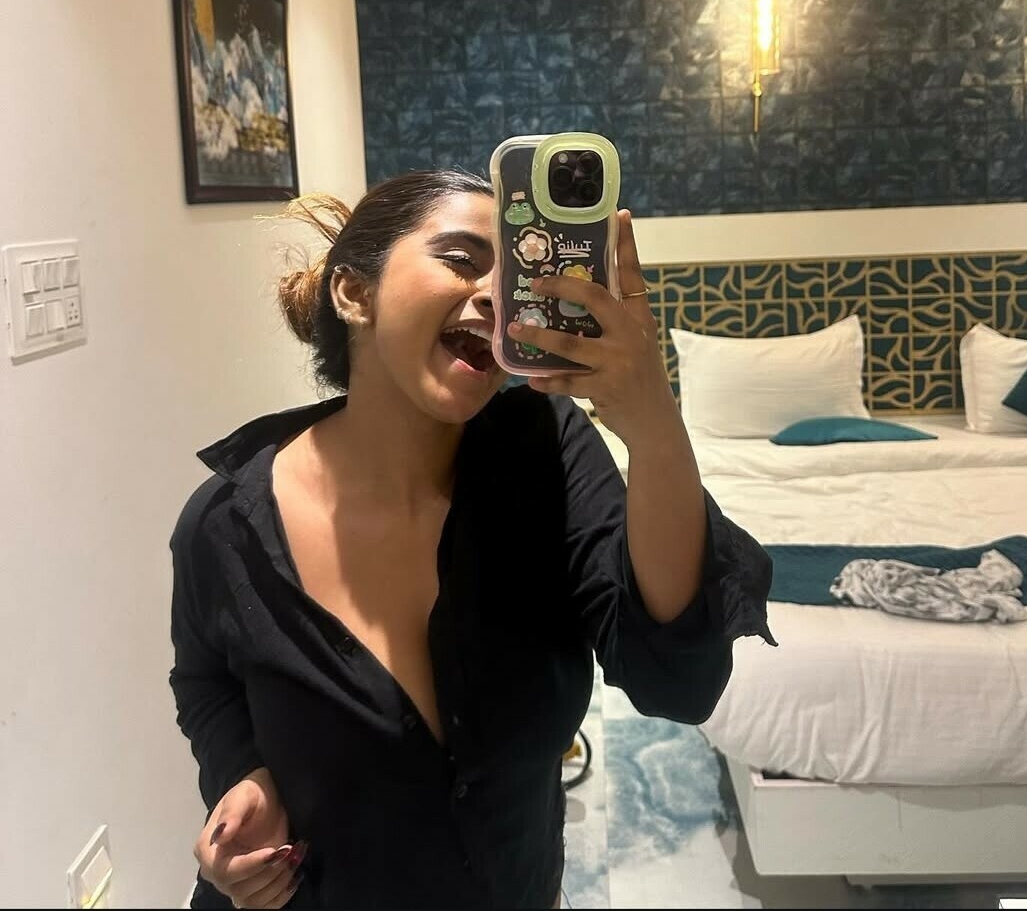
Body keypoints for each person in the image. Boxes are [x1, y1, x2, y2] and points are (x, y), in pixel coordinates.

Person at [169, 170, 775, 910]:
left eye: (515, 275)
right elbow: (205, 680)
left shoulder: (546, 454)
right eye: (461, 259)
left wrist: (651, 420)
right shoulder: (225, 524)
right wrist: (240, 775)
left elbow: (676, 680)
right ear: (353, 293)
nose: (497, 295)